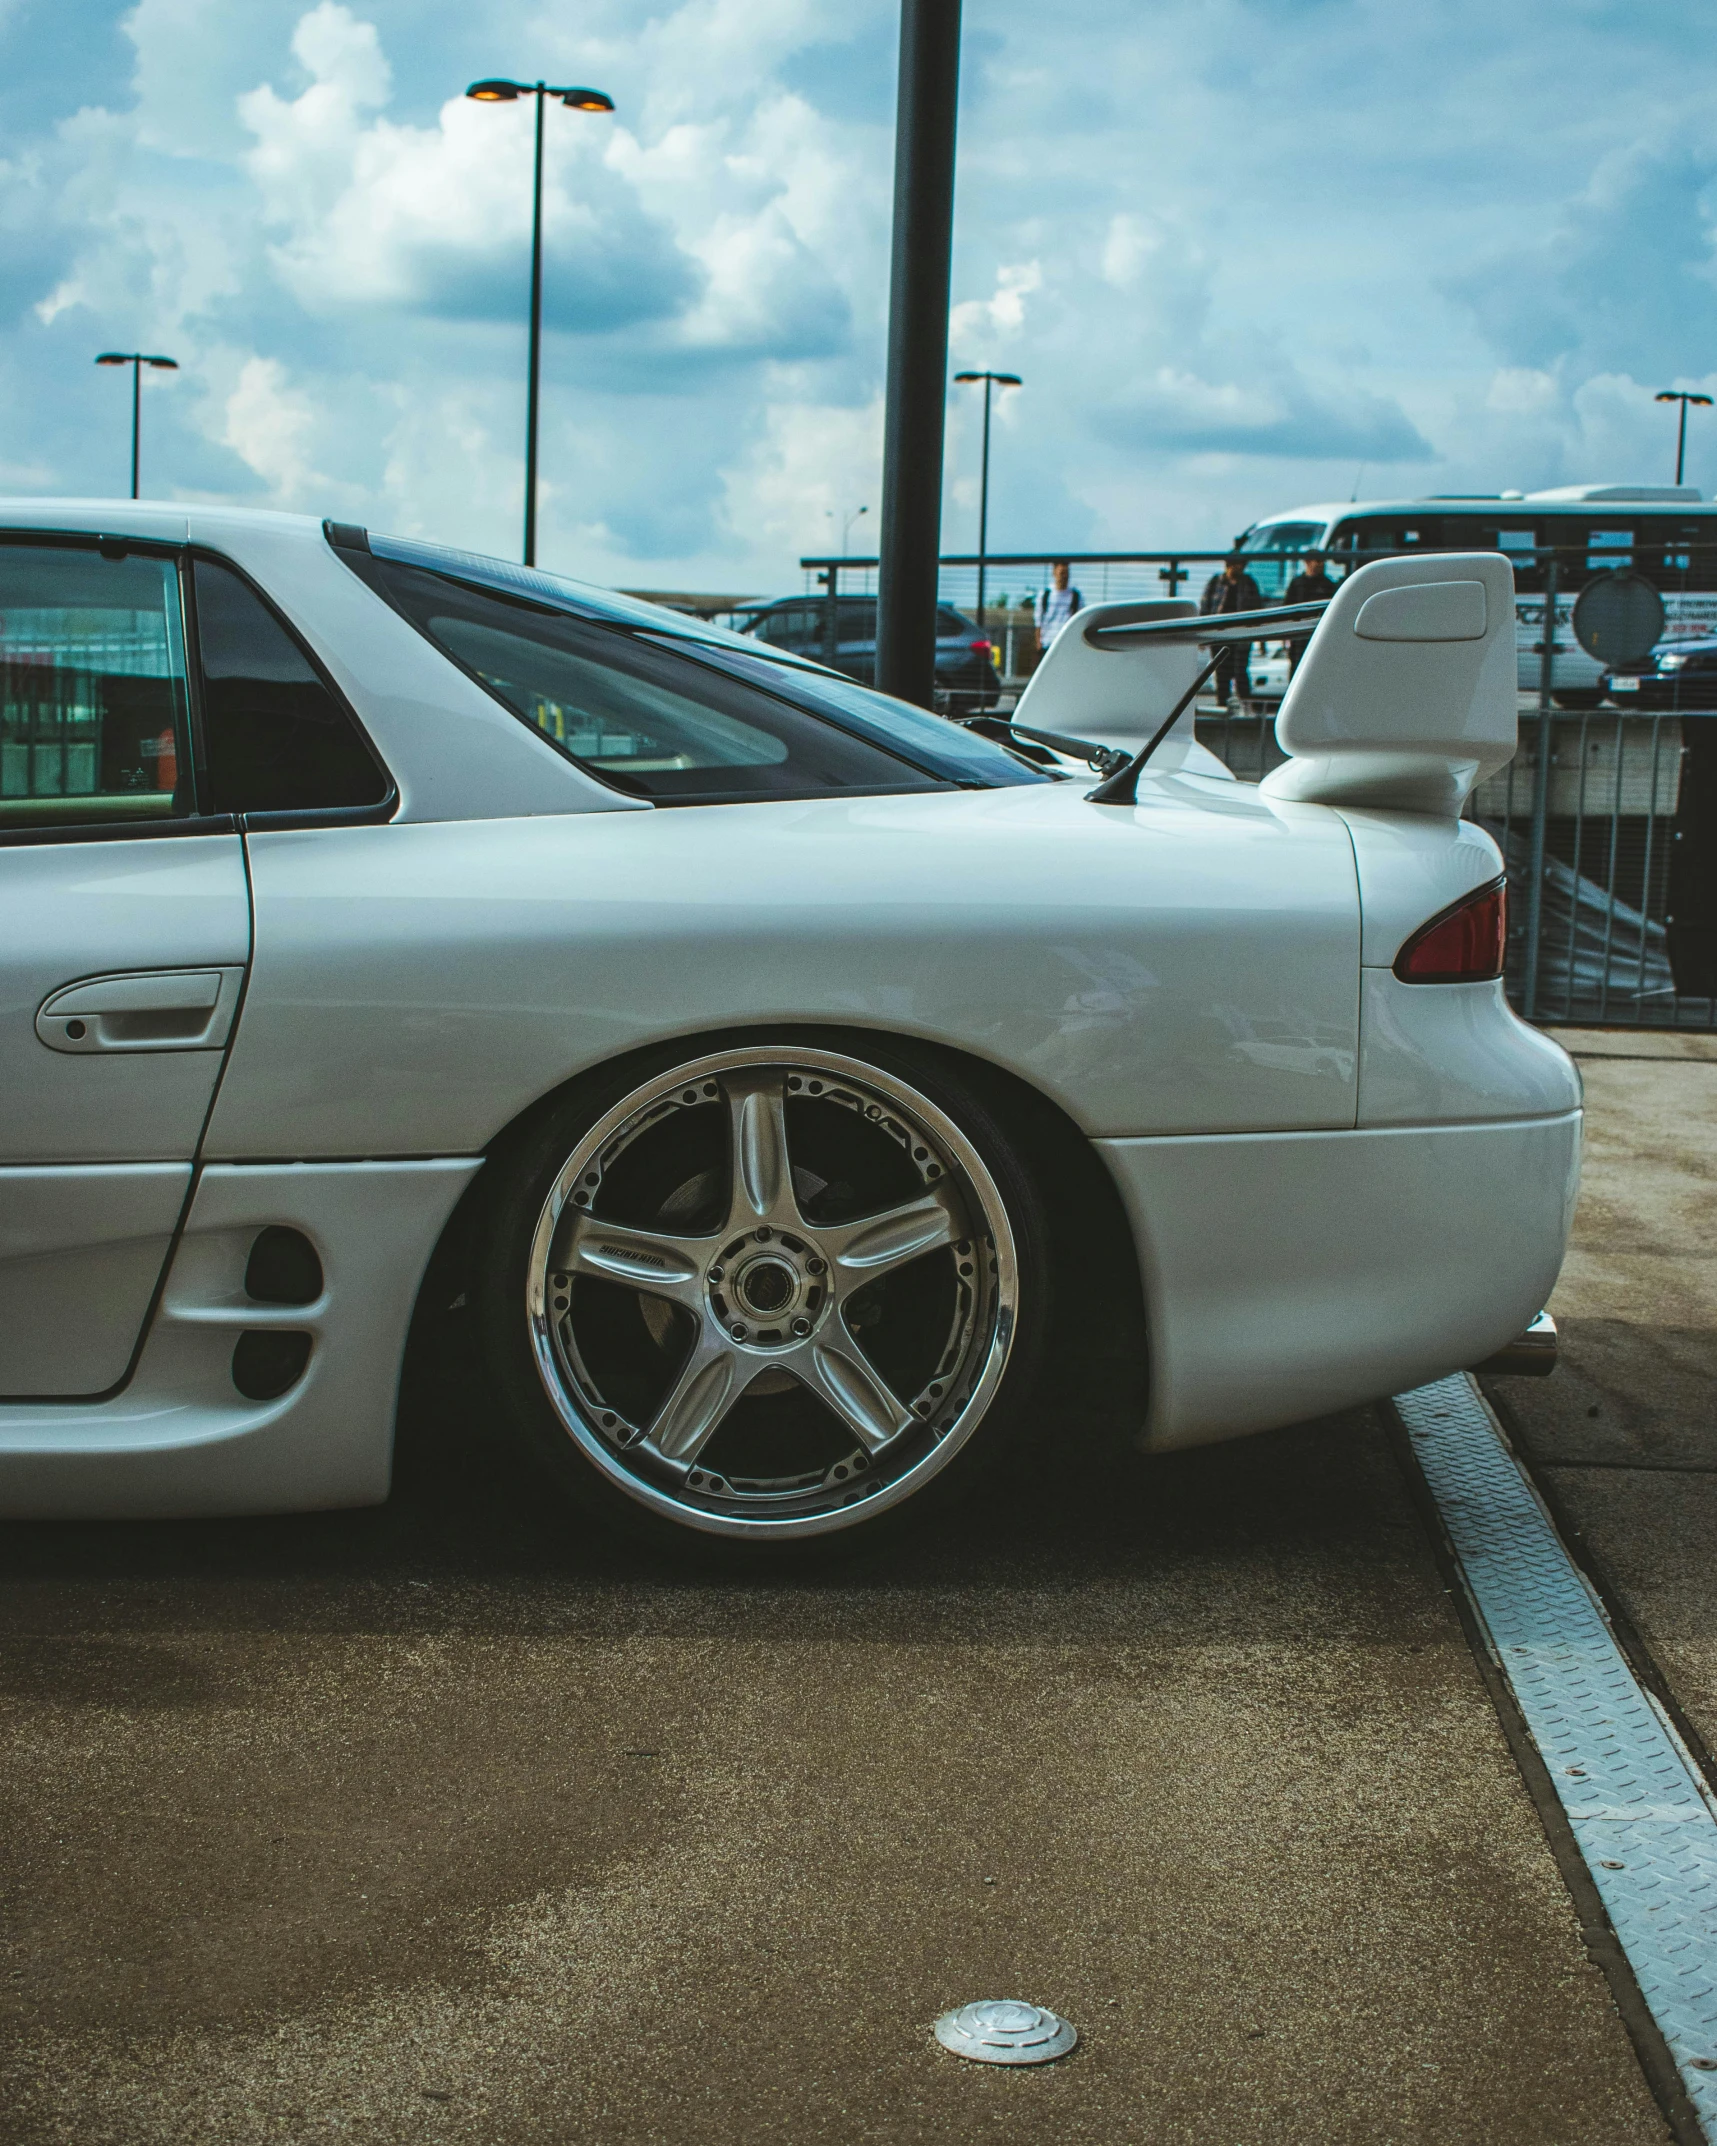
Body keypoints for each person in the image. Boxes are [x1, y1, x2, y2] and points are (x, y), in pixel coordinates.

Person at [1199, 552, 1264, 708]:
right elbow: (1206, 608)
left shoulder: (1248, 584)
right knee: (1222, 673)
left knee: (1240, 671)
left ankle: (1246, 706)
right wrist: (1203, 635)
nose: (1240, 568)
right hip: (1220, 634)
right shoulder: (1216, 583)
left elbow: (1258, 611)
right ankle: (1223, 706)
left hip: (1240, 634)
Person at [1282, 551, 1337, 676]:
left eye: (1323, 561)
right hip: (1298, 634)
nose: (1321, 564)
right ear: (1307, 562)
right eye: (1318, 561)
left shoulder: (1328, 585)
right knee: (1297, 666)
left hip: (1320, 634)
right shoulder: (1297, 584)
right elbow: (1287, 608)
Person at [1035, 561, 1083, 649]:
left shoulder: (1075, 596)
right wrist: (1038, 643)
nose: (1064, 577)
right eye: (1061, 573)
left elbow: (1080, 620)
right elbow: (1038, 621)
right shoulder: (1045, 595)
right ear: (1054, 573)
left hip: (1067, 644)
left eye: (1066, 574)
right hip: (1047, 644)